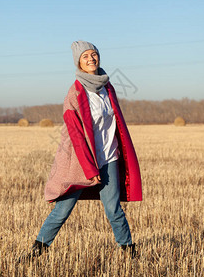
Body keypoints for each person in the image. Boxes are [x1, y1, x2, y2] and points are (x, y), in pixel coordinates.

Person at [19, 40, 142, 262]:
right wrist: (88, 167)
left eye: (94, 54)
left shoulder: (108, 87)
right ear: (78, 62)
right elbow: (76, 136)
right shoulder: (74, 93)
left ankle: (130, 254)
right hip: (80, 161)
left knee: (114, 210)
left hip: (109, 157)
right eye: (85, 56)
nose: (91, 59)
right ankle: (35, 253)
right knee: (63, 210)